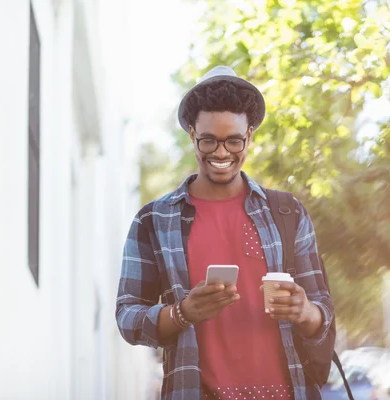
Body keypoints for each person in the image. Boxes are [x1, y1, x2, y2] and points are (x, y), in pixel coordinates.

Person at [116, 66, 334, 400]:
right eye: (209, 140)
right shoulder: (153, 221)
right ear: (192, 135)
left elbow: (323, 315)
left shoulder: (287, 213)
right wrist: (182, 313)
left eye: (234, 141)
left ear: (249, 136)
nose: (221, 153)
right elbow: (127, 316)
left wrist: (304, 312)